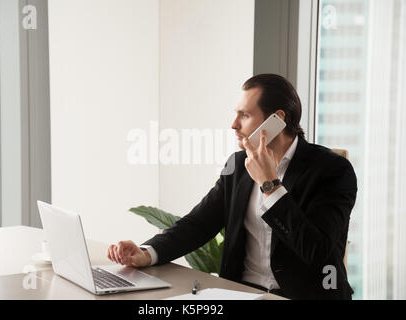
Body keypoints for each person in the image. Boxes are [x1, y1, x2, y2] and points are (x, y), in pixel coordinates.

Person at [107, 74, 357, 300]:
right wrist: (146, 253)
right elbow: (198, 224)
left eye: (245, 115)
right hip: (244, 294)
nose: (233, 124)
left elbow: (318, 251)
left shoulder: (332, 170)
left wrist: (270, 185)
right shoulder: (238, 165)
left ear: (277, 120)